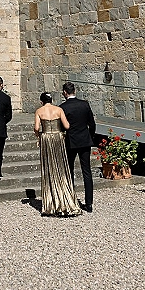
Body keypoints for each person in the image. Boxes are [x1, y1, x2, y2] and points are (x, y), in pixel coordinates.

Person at [34, 92, 82, 217]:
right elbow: (67, 125)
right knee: (61, 168)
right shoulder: (59, 109)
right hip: (58, 138)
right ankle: (65, 198)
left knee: (49, 168)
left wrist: (39, 136)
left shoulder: (39, 111)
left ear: (41, 101)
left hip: (46, 138)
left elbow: (36, 127)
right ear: (52, 100)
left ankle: (51, 203)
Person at [60, 81, 96, 213]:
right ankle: (89, 202)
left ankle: (71, 199)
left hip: (71, 141)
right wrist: (90, 137)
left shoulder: (63, 107)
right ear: (74, 91)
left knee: (69, 171)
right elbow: (92, 124)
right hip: (85, 140)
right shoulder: (84, 104)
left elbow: (62, 127)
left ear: (65, 92)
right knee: (87, 171)